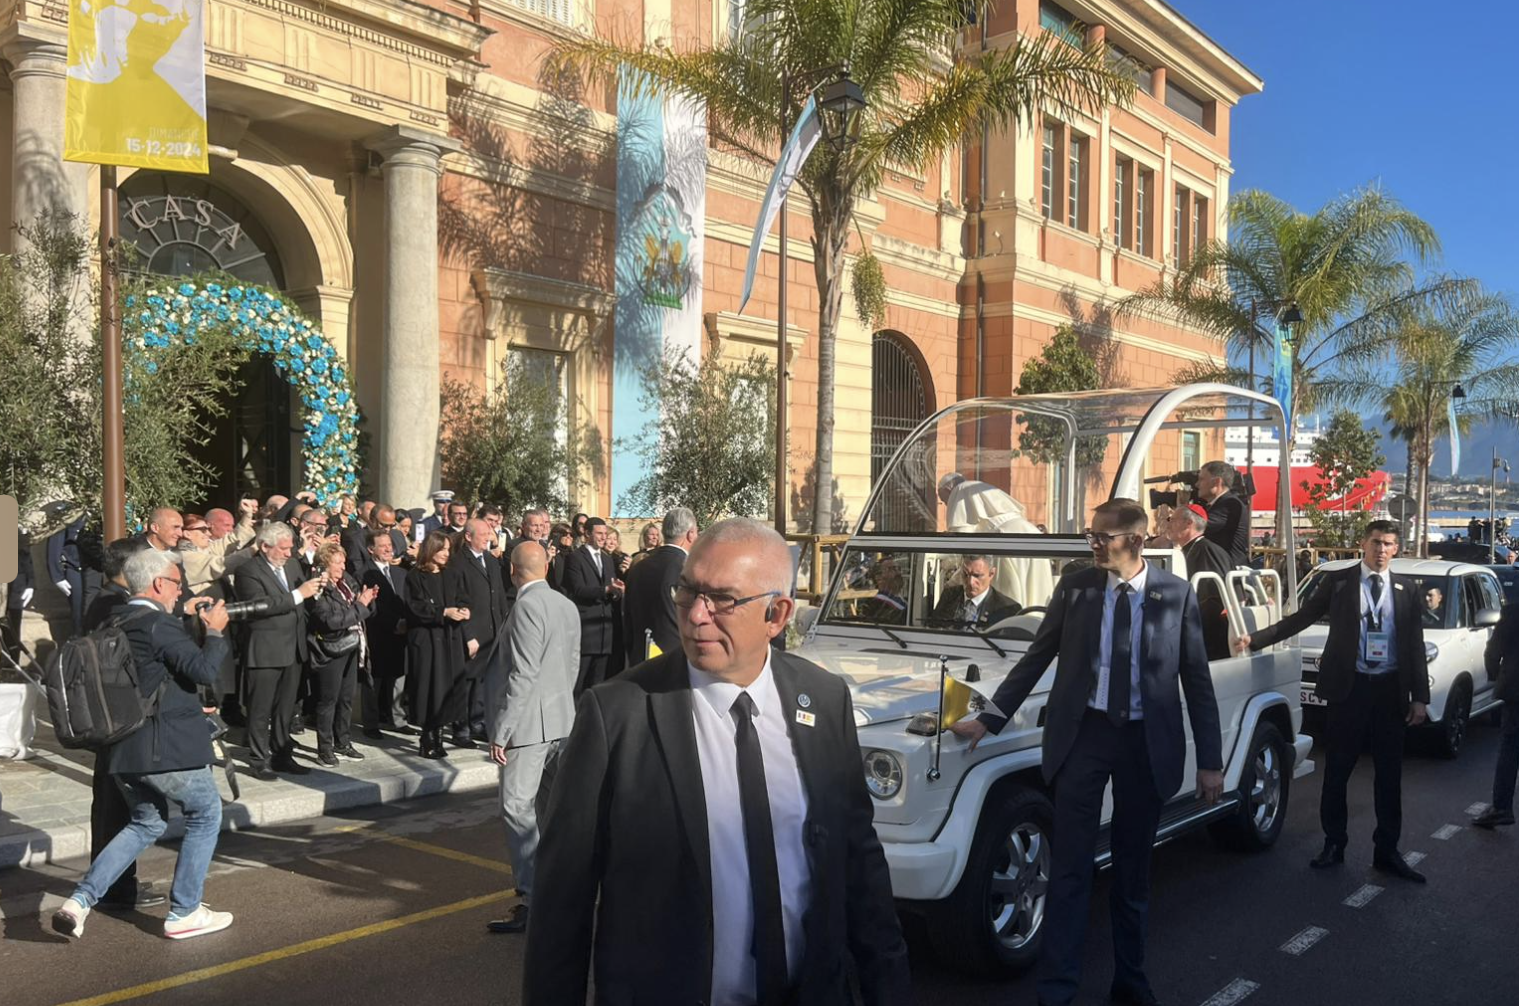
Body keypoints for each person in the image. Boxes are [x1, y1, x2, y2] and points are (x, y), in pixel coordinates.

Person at [524, 518, 909, 1005]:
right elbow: (563, 903)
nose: (696, 616)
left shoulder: (824, 699)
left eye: (723, 599)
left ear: (777, 614)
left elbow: (859, 861)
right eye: (687, 592)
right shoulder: (616, 713)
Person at [950, 499, 1223, 1006]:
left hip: (1145, 745)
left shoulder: (1176, 595)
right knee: (1071, 870)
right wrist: (990, 718)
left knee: (1133, 872)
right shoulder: (1076, 589)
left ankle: (1131, 982)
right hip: (1084, 740)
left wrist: (1211, 761)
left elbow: (1198, 683)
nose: (1093, 545)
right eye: (1090, 536)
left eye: (1103, 537)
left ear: (1137, 541)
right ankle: (1057, 988)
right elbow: (1037, 657)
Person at [51, 550, 235, 942]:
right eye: (174, 582)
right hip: (166, 748)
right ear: (157, 584)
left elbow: (148, 680)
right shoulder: (158, 624)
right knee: (206, 813)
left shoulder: (112, 619)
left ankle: (79, 901)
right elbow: (202, 669)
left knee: (145, 822)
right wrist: (216, 631)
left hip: (122, 749)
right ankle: (185, 911)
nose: (179, 589)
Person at [1236, 520, 1429, 882]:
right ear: (1363, 543)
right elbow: (1303, 617)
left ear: (1397, 548)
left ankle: (1387, 850)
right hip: (1348, 690)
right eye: (1375, 542)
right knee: (1338, 772)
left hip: (1389, 693)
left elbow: (1415, 646)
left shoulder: (1406, 589)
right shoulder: (1339, 581)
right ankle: (1333, 844)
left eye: (1388, 544)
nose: (1381, 550)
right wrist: (1256, 639)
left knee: (1389, 776)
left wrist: (1420, 698)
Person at [487, 542, 581, 935]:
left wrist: (502, 729)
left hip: (528, 726)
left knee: (516, 808)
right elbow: (573, 663)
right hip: (560, 719)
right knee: (552, 811)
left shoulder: (527, 606)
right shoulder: (565, 604)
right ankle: (562, 890)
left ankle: (532, 896)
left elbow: (521, 673)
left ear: (513, 570)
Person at [78, 537, 164, 915]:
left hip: (110, 716)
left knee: (112, 804)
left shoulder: (104, 600)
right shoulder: (115, 605)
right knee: (117, 808)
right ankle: (116, 888)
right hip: (117, 717)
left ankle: (115, 881)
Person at [234, 522, 324, 780]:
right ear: (265, 546)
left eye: (290, 548)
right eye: (283, 548)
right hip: (265, 650)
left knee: (285, 708)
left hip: (293, 648)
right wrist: (299, 594)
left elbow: (303, 597)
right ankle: (258, 759)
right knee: (260, 709)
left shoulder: (293, 565)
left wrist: (316, 590)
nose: (288, 553)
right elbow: (257, 605)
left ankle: (282, 754)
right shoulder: (247, 571)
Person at [305, 543, 377, 766]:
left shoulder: (347, 582)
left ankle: (343, 741)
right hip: (331, 649)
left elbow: (362, 613)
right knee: (329, 700)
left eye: (343, 561)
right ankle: (324, 748)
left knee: (346, 698)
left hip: (353, 645)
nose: (342, 566)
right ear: (324, 564)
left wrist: (368, 600)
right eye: (337, 562)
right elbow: (330, 622)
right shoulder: (319, 589)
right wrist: (360, 606)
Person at [938, 472, 1053, 608]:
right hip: (1028, 532)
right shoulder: (981, 487)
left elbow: (961, 540)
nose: (948, 506)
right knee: (1035, 592)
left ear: (948, 490)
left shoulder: (960, 490)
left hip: (1005, 540)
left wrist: (950, 578)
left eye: (946, 501)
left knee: (1008, 598)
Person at [444, 518, 509, 745]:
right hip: (471, 633)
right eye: (483, 534)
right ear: (469, 536)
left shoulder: (491, 561)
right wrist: (467, 635)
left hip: (492, 631)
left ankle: (477, 722)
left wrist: (504, 626)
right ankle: (460, 728)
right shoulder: (458, 562)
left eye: (489, 533)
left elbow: (499, 596)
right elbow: (458, 601)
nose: (488, 537)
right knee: (465, 682)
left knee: (482, 681)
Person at [406, 532, 471, 758]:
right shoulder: (415, 576)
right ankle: (427, 738)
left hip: (449, 640)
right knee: (429, 688)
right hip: (428, 641)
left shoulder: (451, 574)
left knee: (447, 689)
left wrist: (463, 610)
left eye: (447, 549)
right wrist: (443, 612)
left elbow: (462, 598)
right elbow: (414, 607)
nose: (445, 554)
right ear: (431, 550)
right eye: (441, 549)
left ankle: (440, 736)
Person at [622, 508, 697, 667]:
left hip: (639, 656)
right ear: (690, 534)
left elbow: (627, 615)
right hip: (676, 657)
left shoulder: (639, 566)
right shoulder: (688, 568)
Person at [358, 530, 411, 737]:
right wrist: (394, 623)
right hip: (377, 633)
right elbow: (371, 605)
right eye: (383, 546)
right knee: (374, 680)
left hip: (401, 633)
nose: (389, 549)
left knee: (398, 677)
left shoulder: (400, 573)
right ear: (371, 549)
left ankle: (397, 719)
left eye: (390, 545)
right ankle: (371, 723)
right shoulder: (363, 573)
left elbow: (405, 600)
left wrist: (406, 621)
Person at [1167, 503, 1234, 661]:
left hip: (1209, 641)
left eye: (1172, 519)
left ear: (1188, 523)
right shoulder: (1190, 549)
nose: (1168, 524)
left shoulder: (1207, 551)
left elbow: (1212, 600)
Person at [563, 517, 620, 694]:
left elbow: (610, 588)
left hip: (605, 629)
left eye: (605, 533)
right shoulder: (575, 558)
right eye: (599, 533)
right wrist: (606, 590)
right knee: (580, 681)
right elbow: (578, 590)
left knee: (598, 682)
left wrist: (617, 592)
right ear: (587, 534)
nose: (604, 537)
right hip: (587, 628)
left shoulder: (607, 559)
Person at [1475, 601, 1519, 828]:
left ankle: (1501, 808)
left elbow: (1493, 652)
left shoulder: (1514, 610)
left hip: (1516, 692)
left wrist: (1495, 676)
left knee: (1510, 749)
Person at [928, 554, 1021, 629]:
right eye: (965, 574)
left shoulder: (1007, 609)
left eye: (977, 576)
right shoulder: (950, 595)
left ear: (991, 574)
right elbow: (934, 629)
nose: (970, 582)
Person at [1195, 460, 1250, 568]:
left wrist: (1180, 511)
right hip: (1217, 570)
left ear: (1216, 482)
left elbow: (1195, 527)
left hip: (1227, 575)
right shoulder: (1214, 505)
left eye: (1201, 479)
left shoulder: (1229, 504)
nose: (1197, 485)